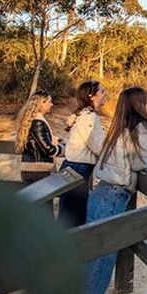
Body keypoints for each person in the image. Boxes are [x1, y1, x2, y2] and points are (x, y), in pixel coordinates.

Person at [82, 87, 147, 294]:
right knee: (102, 259)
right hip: (115, 195)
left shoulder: (118, 125)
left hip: (100, 192)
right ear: (140, 104)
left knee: (92, 254)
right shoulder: (141, 127)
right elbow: (142, 162)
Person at [58, 80, 107, 227]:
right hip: (79, 170)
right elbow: (99, 146)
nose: (106, 95)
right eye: (102, 92)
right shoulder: (89, 117)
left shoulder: (83, 115)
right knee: (74, 218)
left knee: (68, 215)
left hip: (74, 168)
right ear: (92, 96)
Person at [15, 91, 65, 184]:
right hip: (39, 170)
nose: (52, 104)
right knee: (44, 197)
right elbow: (48, 149)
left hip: (30, 168)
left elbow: (37, 143)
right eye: (49, 102)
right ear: (41, 104)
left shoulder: (32, 121)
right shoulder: (38, 123)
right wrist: (63, 149)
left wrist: (50, 139)